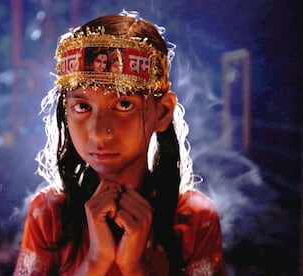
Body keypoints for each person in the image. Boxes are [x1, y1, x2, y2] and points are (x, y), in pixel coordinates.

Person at [14, 11, 226, 275]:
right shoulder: (48, 214)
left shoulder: (194, 218)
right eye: (82, 106)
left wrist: (133, 267)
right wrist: (96, 260)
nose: (99, 133)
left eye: (124, 104)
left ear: (162, 113)